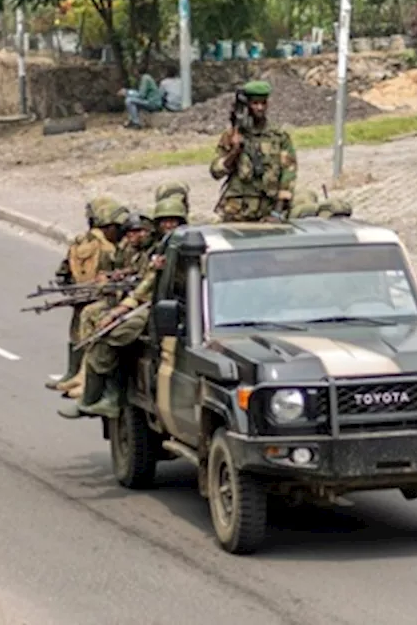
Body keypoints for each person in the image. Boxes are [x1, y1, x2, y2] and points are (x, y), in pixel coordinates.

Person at [59, 194, 189, 419]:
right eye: (164, 221)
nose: (169, 226)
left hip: (165, 309)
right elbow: (143, 278)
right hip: (147, 303)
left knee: (112, 334)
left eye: (174, 221)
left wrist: (121, 309)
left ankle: (106, 397)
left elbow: (147, 287)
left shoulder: (178, 250)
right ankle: (90, 392)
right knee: (97, 323)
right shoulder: (159, 249)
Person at [56, 211, 154, 399]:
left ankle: (97, 385)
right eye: (130, 233)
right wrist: (116, 276)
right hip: (127, 298)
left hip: (138, 303)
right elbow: (133, 272)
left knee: (109, 329)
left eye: (139, 232)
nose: (134, 236)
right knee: (88, 314)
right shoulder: (132, 250)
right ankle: (83, 374)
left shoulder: (154, 252)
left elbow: (144, 284)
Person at [44, 197, 128, 392]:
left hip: (87, 297)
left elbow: (64, 270)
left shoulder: (82, 242)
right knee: (82, 334)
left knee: (81, 334)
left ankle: (78, 376)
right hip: (99, 297)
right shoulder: (112, 247)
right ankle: (77, 375)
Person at [209, 79, 297, 222]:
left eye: (263, 103)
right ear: (247, 105)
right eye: (255, 103)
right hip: (236, 213)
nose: (260, 108)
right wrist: (235, 152)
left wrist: (277, 212)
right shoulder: (232, 135)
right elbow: (216, 171)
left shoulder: (279, 137)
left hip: (268, 211)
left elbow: (288, 175)